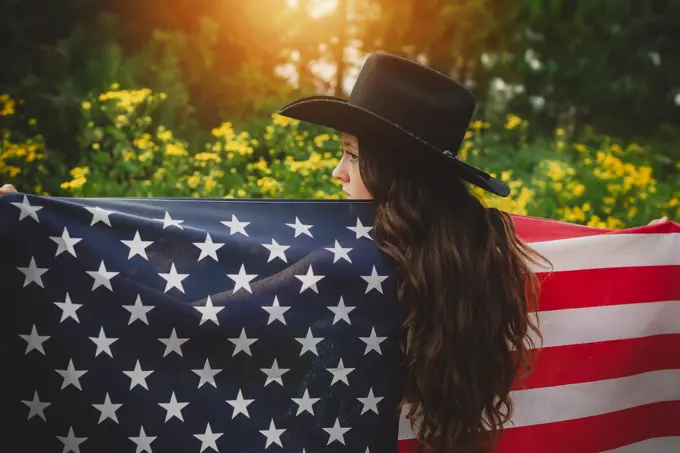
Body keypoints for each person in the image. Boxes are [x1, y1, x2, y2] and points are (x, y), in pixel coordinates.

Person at [0, 52, 669, 452]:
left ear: (391, 170)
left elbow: (189, 313)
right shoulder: (485, 248)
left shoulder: (340, 267)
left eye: (349, 157)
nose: (334, 176)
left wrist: (25, 226)